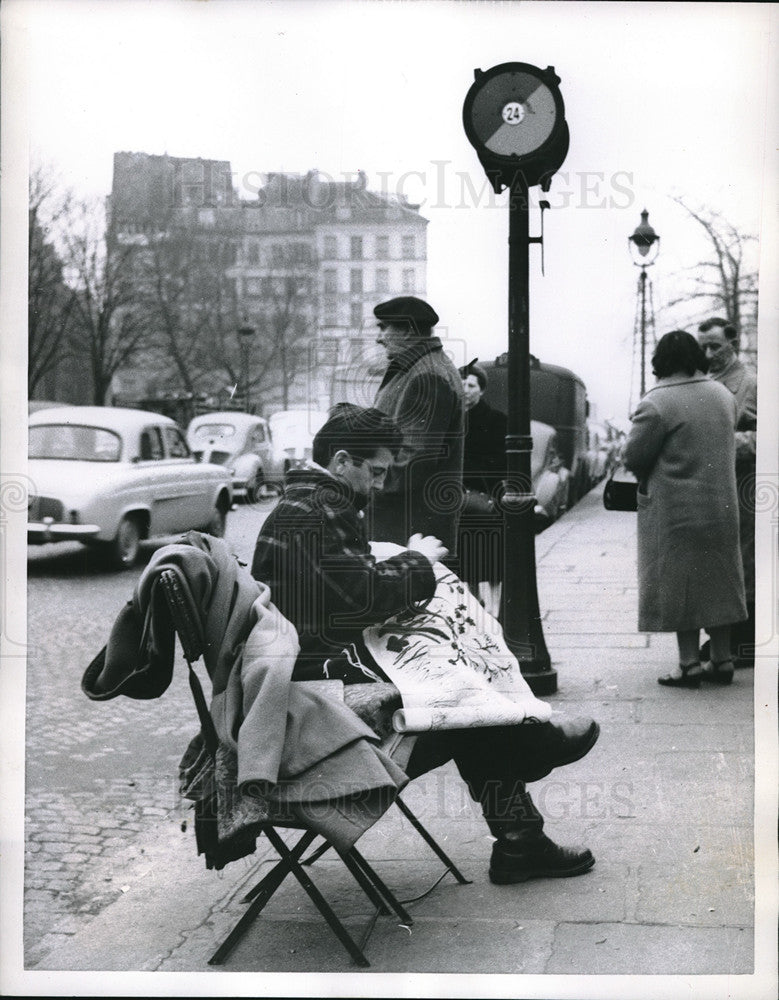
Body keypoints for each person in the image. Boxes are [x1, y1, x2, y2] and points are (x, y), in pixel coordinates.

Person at [252, 403, 600, 884]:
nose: (377, 485)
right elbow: (361, 596)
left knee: (454, 681)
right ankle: (527, 780)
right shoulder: (313, 511)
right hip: (316, 687)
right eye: (374, 472)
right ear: (341, 461)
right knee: (456, 700)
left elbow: (341, 590)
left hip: (315, 670)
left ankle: (523, 825)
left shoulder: (311, 505)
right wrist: (416, 560)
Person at [623, 330, 747, 687]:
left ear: (660, 362)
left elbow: (633, 456)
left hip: (676, 512)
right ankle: (722, 661)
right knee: (719, 581)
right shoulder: (723, 394)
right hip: (721, 507)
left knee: (682, 584)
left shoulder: (656, 402)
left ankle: (689, 665)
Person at [368, 296, 464, 555]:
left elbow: (413, 459)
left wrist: (367, 483)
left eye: (383, 327)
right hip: (409, 524)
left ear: (409, 330)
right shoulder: (421, 368)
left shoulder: (427, 375)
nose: (379, 337)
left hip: (408, 527)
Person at [697, 318, 757, 668]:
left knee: (742, 563)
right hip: (712, 488)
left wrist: (726, 443)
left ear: (733, 343)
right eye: (702, 346)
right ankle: (721, 639)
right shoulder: (706, 381)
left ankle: (741, 639)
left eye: (715, 346)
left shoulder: (749, 384)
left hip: (743, 488)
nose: (708, 354)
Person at [458, 359, 507, 612]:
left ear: (482, 389)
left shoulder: (497, 420)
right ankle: (474, 604)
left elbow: (501, 462)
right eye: (461, 384)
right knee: (467, 562)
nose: (465, 389)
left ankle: (494, 609)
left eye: (471, 385)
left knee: (489, 560)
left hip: (487, 498)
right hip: (459, 499)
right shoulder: (451, 421)